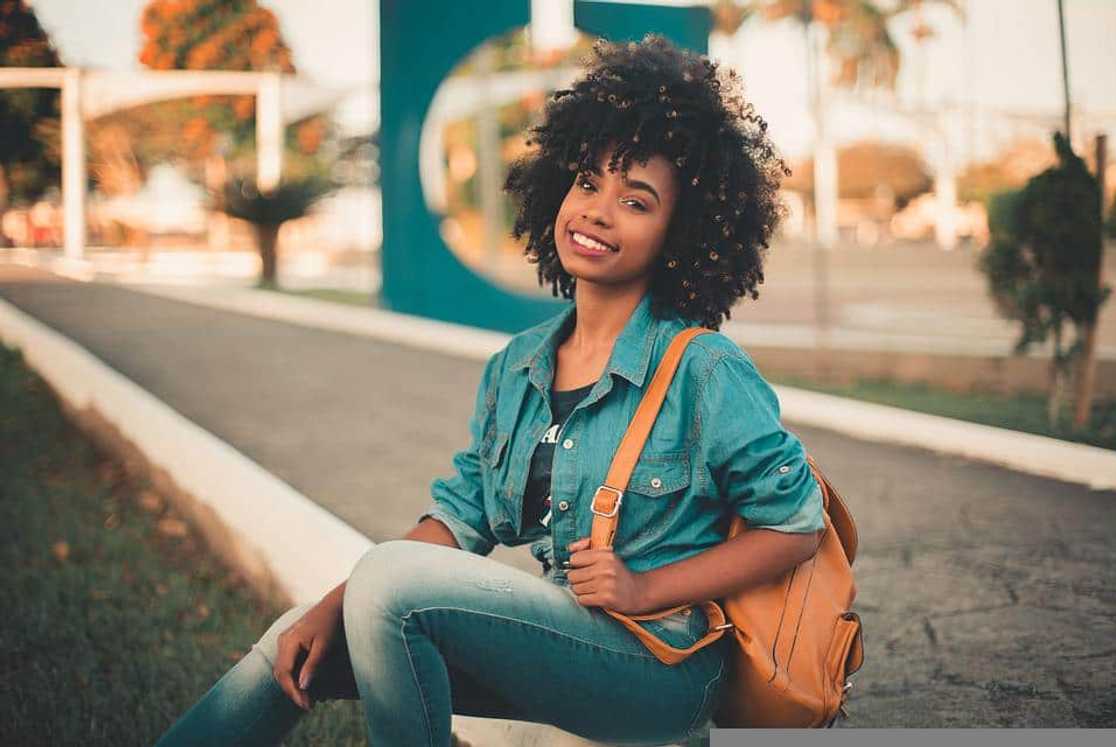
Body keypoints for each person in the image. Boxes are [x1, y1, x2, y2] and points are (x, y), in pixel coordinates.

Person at [155, 34, 826, 747]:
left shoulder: (703, 369)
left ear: (680, 234)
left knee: (389, 581)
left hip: (663, 667)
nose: (598, 210)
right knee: (302, 637)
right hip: (565, 642)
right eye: (588, 183)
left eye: (636, 201)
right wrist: (329, 607)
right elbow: (457, 519)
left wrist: (643, 588)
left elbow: (795, 526)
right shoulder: (518, 368)